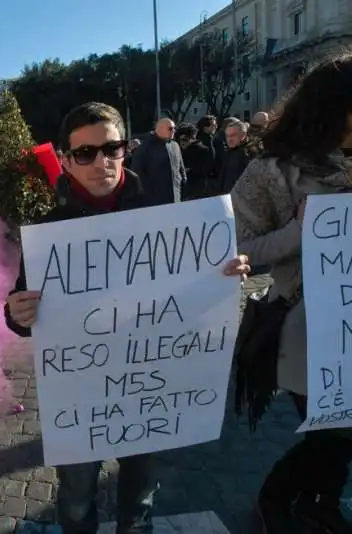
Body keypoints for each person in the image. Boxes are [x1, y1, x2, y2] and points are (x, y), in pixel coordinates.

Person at [4, 102, 250, 534]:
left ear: (126, 150)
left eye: (111, 148)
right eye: (85, 154)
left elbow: (189, 294)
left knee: (139, 502)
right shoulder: (48, 234)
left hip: (148, 390)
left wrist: (223, 275)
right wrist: (15, 311)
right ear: (65, 159)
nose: (101, 162)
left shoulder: (166, 218)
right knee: (77, 504)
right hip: (81, 398)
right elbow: (26, 312)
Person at [231, 51, 352, 534]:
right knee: (336, 427)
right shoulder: (272, 173)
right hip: (311, 329)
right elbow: (237, 246)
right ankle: (276, 497)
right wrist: (300, 232)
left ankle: (322, 502)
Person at [130, 118, 188, 206]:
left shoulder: (175, 145)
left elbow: (181, 168)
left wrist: (183, 184)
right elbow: (137, 173)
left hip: (176, 198)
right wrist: (147, 194)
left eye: (174, 128)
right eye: (170, 128)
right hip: (155, 201)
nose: (173, 131)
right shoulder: (145, 147)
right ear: (160, 128)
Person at [217, 119, 259, 194]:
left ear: (243, 135)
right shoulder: (229, 152)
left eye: (233, 135)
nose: (229, 139)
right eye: (227, 136)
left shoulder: (249, 154)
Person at [175, 122, 214, 199]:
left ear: (193, 138)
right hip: (182, 189)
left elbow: (206, 169)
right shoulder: (178, 150)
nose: (182, 142)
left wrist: (189, 169)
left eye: (185, 139)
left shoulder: (203, 151)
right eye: (179, 140)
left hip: (197, 189)